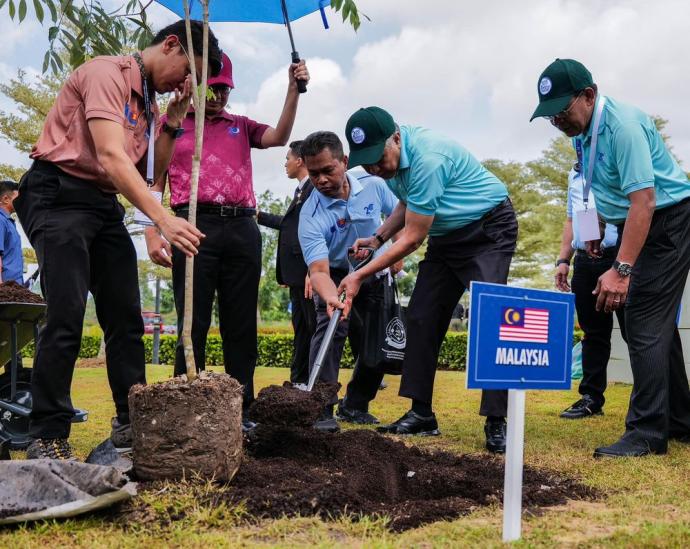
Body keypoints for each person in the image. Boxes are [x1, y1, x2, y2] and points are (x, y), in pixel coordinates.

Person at [15, 20, 222, 460]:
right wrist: (162, 218)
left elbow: (151, 174)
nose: (186, 83)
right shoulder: (105, 73)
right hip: (58, 194)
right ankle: (47, 434)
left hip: (102, 202)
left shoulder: (149, 102)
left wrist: (171, 123)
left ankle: (132, 423)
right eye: (189, 71)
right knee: (67, 312)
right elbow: (110, 154)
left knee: (126, 317)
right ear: (170, 45)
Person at [531, 58, 690, 457]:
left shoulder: (623, 127)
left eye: (561, 112)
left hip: (668, 220)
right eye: (549, 117)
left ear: (588, 95)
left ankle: (648, 432)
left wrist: (621, 269)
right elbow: (603, 187)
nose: (557, 123)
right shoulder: (582, 132)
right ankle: (680, 421)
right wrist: (595, 231)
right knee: (656, 326)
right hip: (638, 222)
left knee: (642, 318)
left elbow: (645, 201)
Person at [145, 52, 310, 430]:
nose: (217, 96)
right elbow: (154, 181)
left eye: (224, 89)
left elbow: (279, 136)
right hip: (192, 225)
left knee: (240, 324)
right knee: (193, 320)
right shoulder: (172, 126)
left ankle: (243, 406)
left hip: (241, 228)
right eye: (210, 88)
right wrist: (153, 233)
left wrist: (293, 91)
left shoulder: (241, 124)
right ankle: (187, 403)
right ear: (193, 84)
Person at [339, 107, 518, 454]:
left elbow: (412, 238)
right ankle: (421, 413)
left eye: (378, 158)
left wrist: (361, 274)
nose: (375, 168)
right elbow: (407, 202)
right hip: (447, 237)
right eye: (367, 163)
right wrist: (376, 238)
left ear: (396, 137)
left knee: (491, 319)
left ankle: (497, 420)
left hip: (488, 229)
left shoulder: (428, 158)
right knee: (421, 317)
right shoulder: (389, 161)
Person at [298, 131, 399, 432]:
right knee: (331, 330)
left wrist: (395, 252)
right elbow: (318, 271)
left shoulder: (374, 185)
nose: (321, 180)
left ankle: (355, 404)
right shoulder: (310, 214)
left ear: (343, 161)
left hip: (374, 269)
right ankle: (322, 407)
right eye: (314, 174)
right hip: (336, 275)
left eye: (328, 170)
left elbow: (401, 215)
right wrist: (330, 298)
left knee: (375, 345)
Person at [555, 165, 626, 419]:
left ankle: (655, 402)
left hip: (619, 258)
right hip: (585, 261)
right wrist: (563, 260)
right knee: (593, 334)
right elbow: (571, 218)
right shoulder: (574, 175)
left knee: (636, 332)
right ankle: (591, 398)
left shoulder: (614, 165)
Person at [257, 140, 316, 385]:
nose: (285, 163)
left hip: (309, 275)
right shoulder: (300, 191)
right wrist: (258, 216)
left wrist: (313, 269)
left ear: (299, 160)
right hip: (296, 276)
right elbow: (289, 224)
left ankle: (315, 384)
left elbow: (314, 232)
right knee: (301, 330)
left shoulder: (314, 190)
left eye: (287, 158)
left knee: (313, 329)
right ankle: (299, 381)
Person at [0, 181, 23, 285]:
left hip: (13, 287)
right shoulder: (1, 220)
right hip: (5, 288)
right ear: (5, 199)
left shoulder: (9, 222)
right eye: (18, 198)